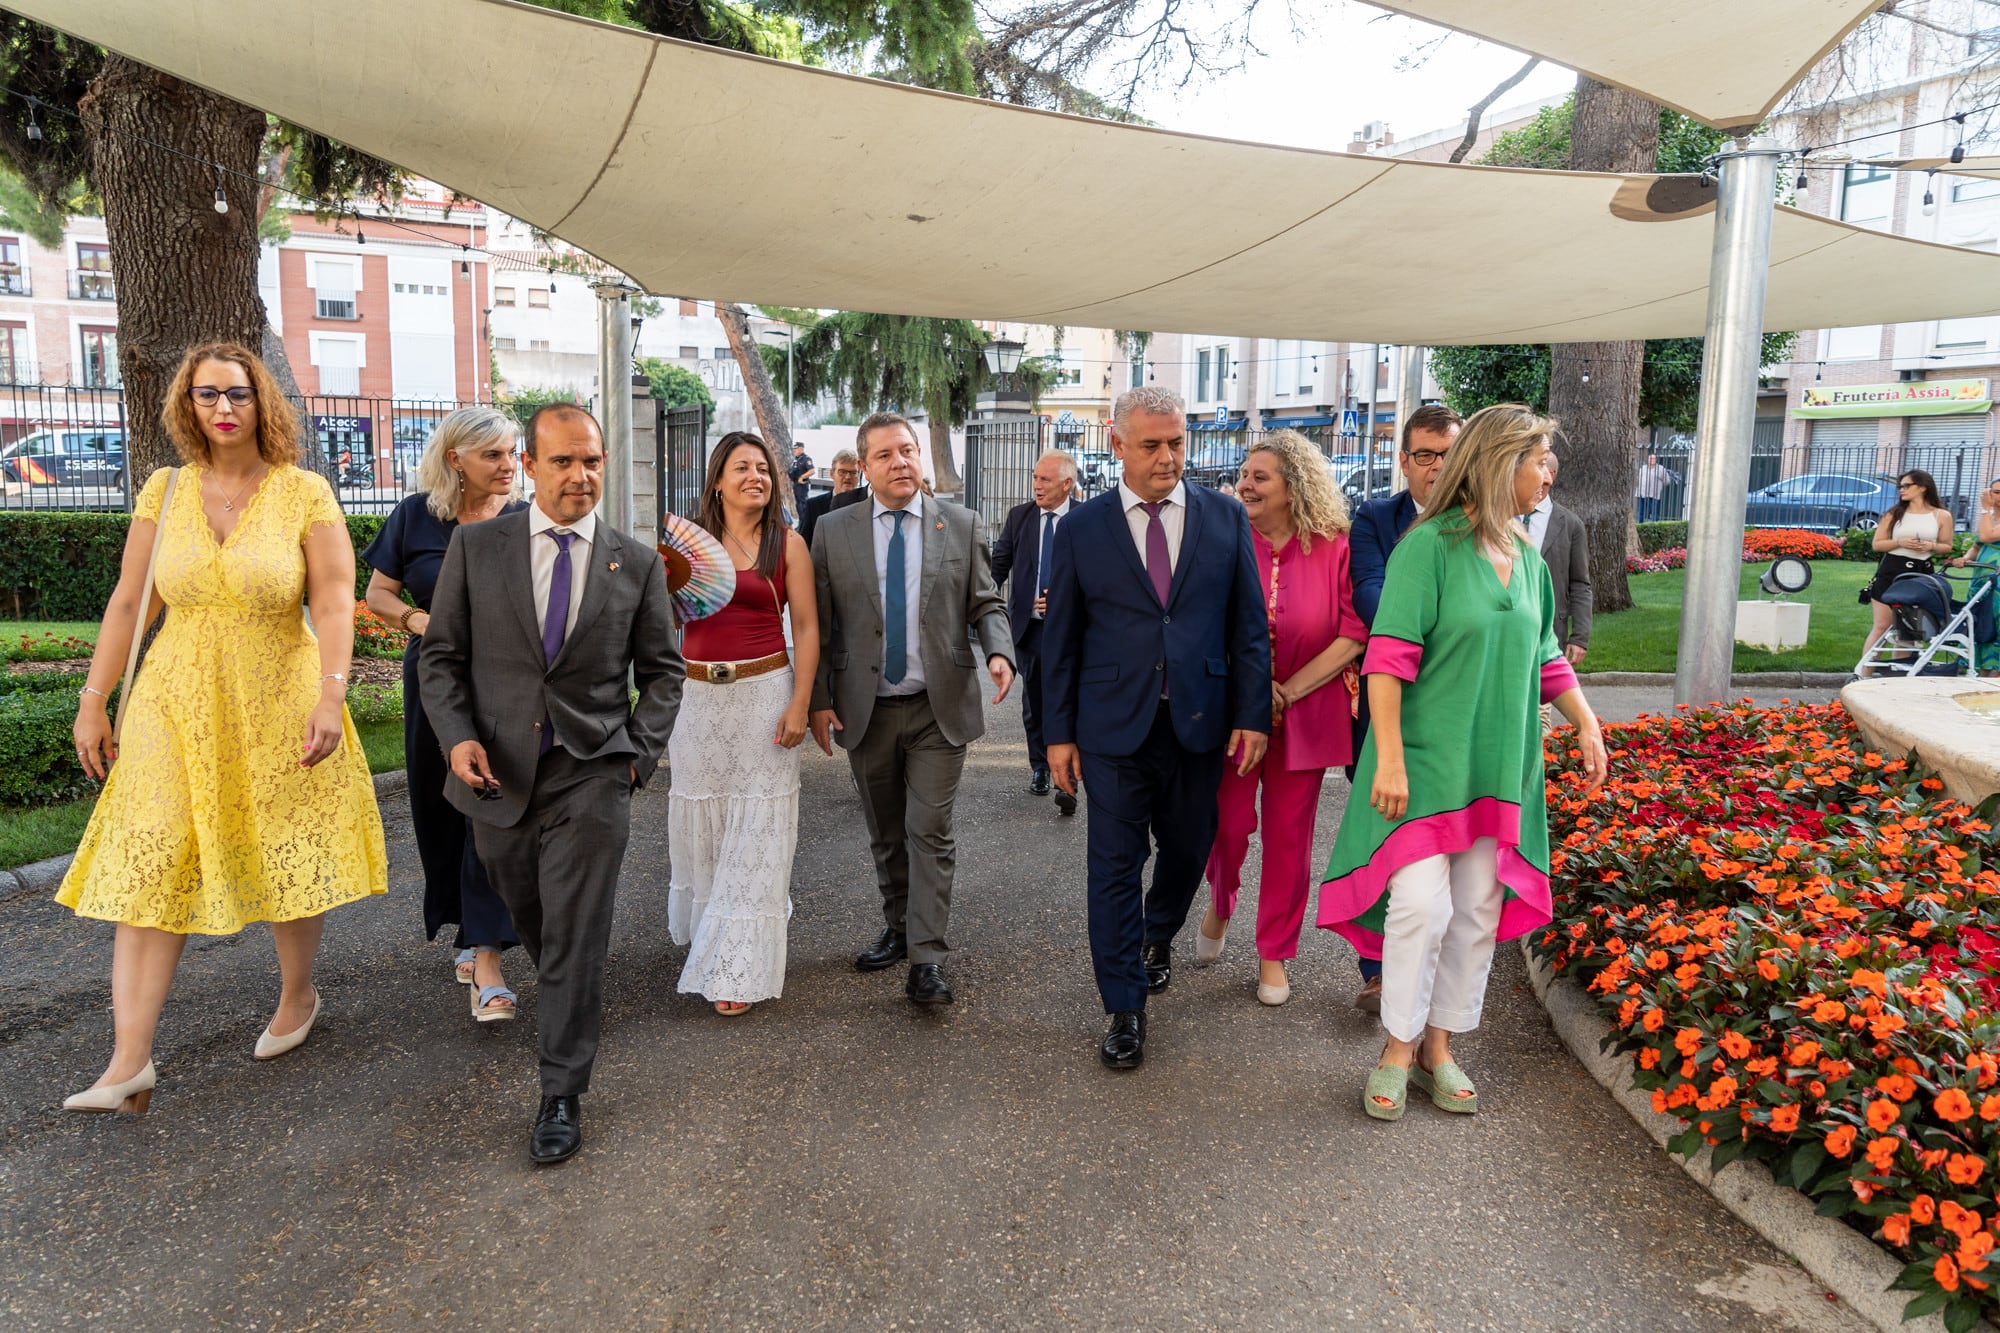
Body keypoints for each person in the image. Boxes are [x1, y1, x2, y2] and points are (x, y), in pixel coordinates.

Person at [58, 341, 388, 1114]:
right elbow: (126, 599)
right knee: (150, 858)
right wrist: (93, 696)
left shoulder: (303, 490)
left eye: (236, 394)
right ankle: (128, 1060)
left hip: (279, 690)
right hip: (173, 703)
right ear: (188, 406)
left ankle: (298, 993)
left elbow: (337, 601)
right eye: (208, 396)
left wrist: (332, 696)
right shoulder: (165, 491)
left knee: (284, 845)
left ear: (260, 401)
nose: (223, 409)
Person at [1318, 404, 1608, 1122]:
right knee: (1421, 904)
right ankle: (1395, 1046)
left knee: (1476, 910)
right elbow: (1386, 661)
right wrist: (1386, 757)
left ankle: (1437, 1049)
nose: (1551, 472)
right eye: (1541, 458)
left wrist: (1586, 722)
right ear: (1500, 461)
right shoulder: (1429, 547)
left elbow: (1544, 655)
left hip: (1500, 765)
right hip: (1423, 764)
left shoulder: (1532, 559)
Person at [419, 403, 684, 1164]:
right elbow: (440, 659)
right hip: (497, 772)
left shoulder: (634, 563)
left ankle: (561, 1089)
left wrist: (638, 752)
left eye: (593, 460)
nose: (582, 474)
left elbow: (663, 673)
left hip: (594, 767)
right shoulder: (477, 548)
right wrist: (458, 735)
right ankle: (569, 985)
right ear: (529, 465)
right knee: (532, 909)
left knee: (575, 926)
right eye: (564, 461)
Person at [1043, 386, 1270, 1070]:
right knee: (1112, 865)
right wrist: (1057, 734)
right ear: (1117, 443)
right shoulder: (1083, 530)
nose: (1168, 456)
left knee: (1188, 848)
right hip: (1112, 727)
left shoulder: (1226, 519)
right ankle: (1125, 1004)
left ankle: (1158, 929)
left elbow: (1249, 628)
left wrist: (1253, 714)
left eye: (1177, 442)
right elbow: (1061, 640)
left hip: (1200, 722)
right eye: (1152, 444)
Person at [809, 411, 1015, 1007]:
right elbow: (821, 624)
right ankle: (897, 927)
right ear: (864, 467)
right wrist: (819, 700)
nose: (900, 462)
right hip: (864, 706)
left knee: (929, 829)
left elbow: (986, 601)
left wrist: (999, 652)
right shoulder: (833, 529)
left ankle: (927, 956)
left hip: (937, 706)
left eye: (908, 450)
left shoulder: (960, 522)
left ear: (920, 455)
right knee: (885, 831)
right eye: (885, 455)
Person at [363, 407, 525, 1022]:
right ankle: (466, 927)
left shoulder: (527, 521)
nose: (509, 465)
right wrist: (419, 620)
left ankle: (488, 957)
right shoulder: (414, 515)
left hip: (506, 683)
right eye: (494, 455)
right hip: (434, 679)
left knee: (490, 804)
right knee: (440, 810)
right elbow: (378, 593)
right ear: (456, 458)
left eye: (513, 453)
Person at [1195, 431, 1366, 1005]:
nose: (1244, 484)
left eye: (1259, 477)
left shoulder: (1335, 546)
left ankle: (1274, 953)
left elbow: (1352, 634)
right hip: (1236, 713)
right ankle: (1221, 900)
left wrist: (1286, 691)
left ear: (1294, 488)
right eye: (1244, 475)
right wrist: (1251, 691)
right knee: (1228, 824)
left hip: (1307, 712)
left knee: (1290, 840)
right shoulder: (1223, 539)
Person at [669, 432, 817, 1015]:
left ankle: (737, 962)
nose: (755, 475)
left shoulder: (788, 545)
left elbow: (805, 628)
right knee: (707, 820)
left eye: (763, 468)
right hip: (697, 699)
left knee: (759, 825)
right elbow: (656, 618)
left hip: (764, 693)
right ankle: (713, 937)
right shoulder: (684, 544)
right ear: (717, 481)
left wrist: (800, 703)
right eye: (741, 467)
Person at [1343, 401, 1462, 1013]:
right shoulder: (1374, 518)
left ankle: (1431, 973)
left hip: (1454, 716)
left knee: (1444, 849)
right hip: (1388, 705)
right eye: (1425, 455)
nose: (1438, 467)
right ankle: (1375, 967)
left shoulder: (1479, 523)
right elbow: (1370, 595)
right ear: (1404, 459)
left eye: (1449, 454)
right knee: (1383, 836)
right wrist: (1441, 634)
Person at [991, 449, 1080, 815]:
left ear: (1067, 484)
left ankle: (1070, 779)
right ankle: (1041, 767)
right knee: (1036, 703)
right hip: (1032, 630)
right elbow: (997, 567)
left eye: (1045, 479)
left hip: (1077, 632)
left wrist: (1068, 600)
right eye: (1035, 477)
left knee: (1073, 701)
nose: (1037, 485)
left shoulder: (1088, 518)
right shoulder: (1020, 517)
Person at [1860, 469, 1953, 672]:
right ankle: (1862, 673)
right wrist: (1900, 542)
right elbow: (1877, 544)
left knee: (1909, 630)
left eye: (1906, 486)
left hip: (1921, 574)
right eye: (1900, 486)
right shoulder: (1894, 513)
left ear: (1922, 487)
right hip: (1892, 570)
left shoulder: (1941, 515)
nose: (1901, 490)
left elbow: (1947, 545)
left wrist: (1931, 546)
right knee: (1882, 626)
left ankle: (1898, 674)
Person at [1519, 450, 1593, 668]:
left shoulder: (1570, 525)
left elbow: (1580, 583)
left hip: (1549, 632)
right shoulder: (1502, 516)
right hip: (1507, 629)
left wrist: (1580, 636)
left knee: (1543, 698)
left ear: (1549, 474)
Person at [1949, 478, 2000, 677]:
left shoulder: (1986, 515)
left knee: (1996, 625)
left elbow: (1988, 536)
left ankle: (1994, 675)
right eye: (1995, 492)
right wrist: (1966, 558)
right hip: (1982, 580)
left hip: (1998, 583)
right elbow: (1979, 544)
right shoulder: (1989, 517)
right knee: (1980, 623)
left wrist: (1985, 509)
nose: (1997, 497)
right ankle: (1980, 670)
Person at [800, 447, 862, 547]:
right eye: (842, 472)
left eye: (853, 472)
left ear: (859, 476)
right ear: (832, 474)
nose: (848, 477)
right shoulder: (813, 506)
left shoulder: (866, 505)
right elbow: (804, 545)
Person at [1632, 453, 1680, 523]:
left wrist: (1659, 486)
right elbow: (1638, 478)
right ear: (1648, 459)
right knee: (1640, 511)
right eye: (1650, 458)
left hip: (1653, 493)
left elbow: (1667, 481)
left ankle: (1655, 525)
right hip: (1641, 492)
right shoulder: (1643, 468)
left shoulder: (1660, 469)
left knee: (1654, 512)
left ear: (1656, 460)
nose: (1652, 460)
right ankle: (1640, 524)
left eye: (1653, 459)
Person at [788, 441, 815, 517]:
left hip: (802, 485)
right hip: (796, 484)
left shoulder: (806, 459)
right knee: (798, 505)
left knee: (803, 505)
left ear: (801, 449)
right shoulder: (796, 459)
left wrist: (802, 477)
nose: (794, 451)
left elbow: (812, 471)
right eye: (794, 449)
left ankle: (804, 523)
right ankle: (801, 522)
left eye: (796, 449)